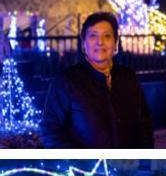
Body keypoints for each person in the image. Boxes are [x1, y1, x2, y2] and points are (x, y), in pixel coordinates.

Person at [41, 12, 155, 148]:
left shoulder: (128, 77)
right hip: (87, 168)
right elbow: (50, 132)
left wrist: (141, 159)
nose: (100, 42)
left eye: (107, 36)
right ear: (84, 44)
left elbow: (144, 123)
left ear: (115, 43)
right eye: (93, 36)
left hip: (128, 167)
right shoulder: (67, 81)